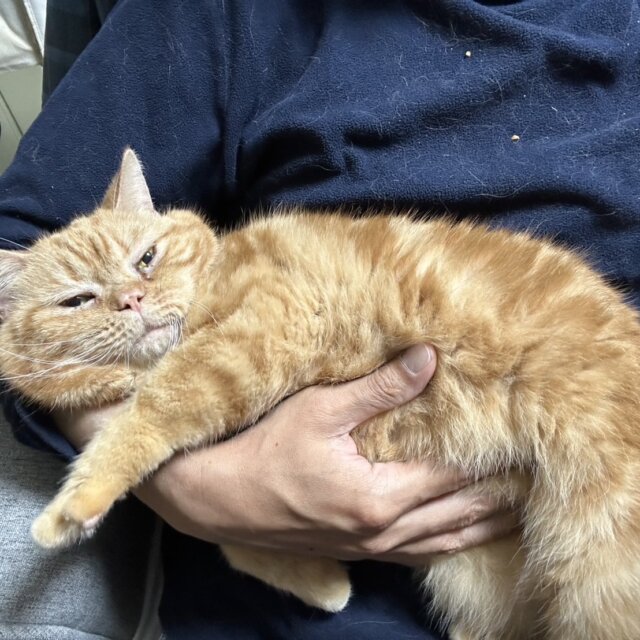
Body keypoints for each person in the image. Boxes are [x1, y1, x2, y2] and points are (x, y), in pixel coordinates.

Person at [1, 0, 639, 638]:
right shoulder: (211, 16)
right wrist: (194, 486)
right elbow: (20, 239)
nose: (132, 300)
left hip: (575, 420)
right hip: (326, 600)